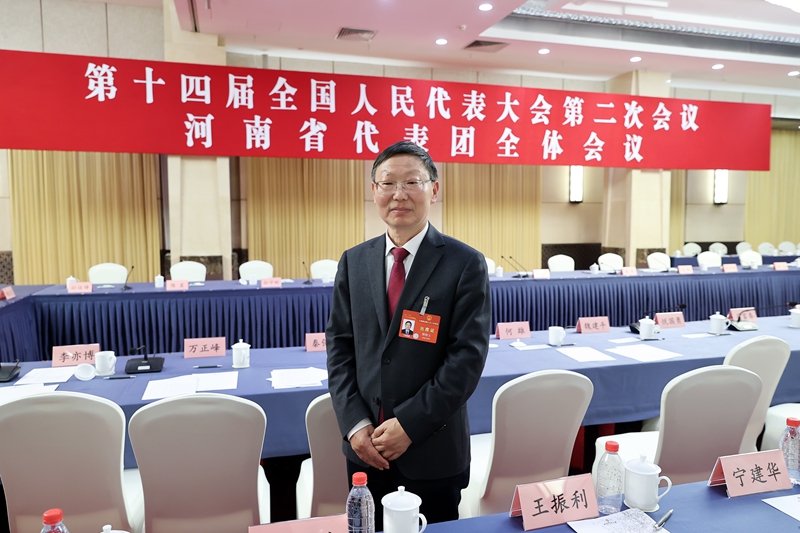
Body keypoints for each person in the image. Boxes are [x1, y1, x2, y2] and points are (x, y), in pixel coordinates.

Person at [326, 141, 491, 528]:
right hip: (365, 452)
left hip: (433, 452)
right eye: (387, 183)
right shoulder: (353, 261)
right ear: (374, 191)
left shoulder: (464, 263)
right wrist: (355, 425)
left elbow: (465, 361)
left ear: (434, 190)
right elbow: (339, 348)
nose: (398, 194)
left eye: (412, 182)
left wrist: (410, 425)